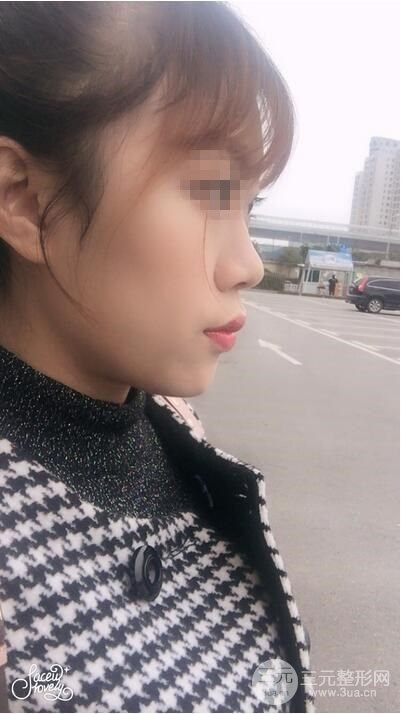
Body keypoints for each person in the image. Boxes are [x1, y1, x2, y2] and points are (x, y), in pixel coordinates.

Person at [0, 2, 314, 712]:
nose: (247, 265)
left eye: (248, 207)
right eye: (211, 192)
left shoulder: (174, 437)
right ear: (24, 198)